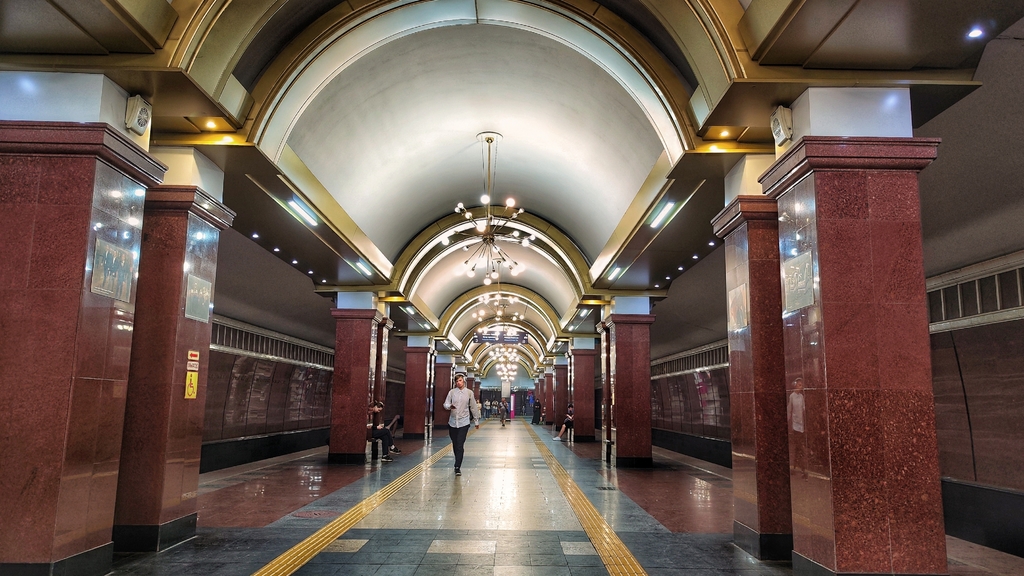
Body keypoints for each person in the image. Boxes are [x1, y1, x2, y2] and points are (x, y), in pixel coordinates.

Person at [443, 373, 479, 476]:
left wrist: (476, 421)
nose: (458, 383)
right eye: (457, 381)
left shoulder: (469, 393)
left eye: (460, 380)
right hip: (452, 422)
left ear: (464, 381)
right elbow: (445, 404)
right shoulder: (452, 392)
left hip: (464, 422)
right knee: (455, 443)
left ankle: (457, 466)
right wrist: (449, 406)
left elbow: (473, 407)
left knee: (460, 443)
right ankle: (457, 460)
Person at [787, 378, 808, 479]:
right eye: (799, 385)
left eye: (801, 385)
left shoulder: (801, 397)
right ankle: (802, 468)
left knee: (798, 447)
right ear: (795, 385)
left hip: (801, 425)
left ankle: (795, 467)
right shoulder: (792, 396)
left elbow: (803, 410)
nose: (801, 387)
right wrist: (789, 423)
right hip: (795, 425)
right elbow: (790, 410)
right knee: (800, 446)